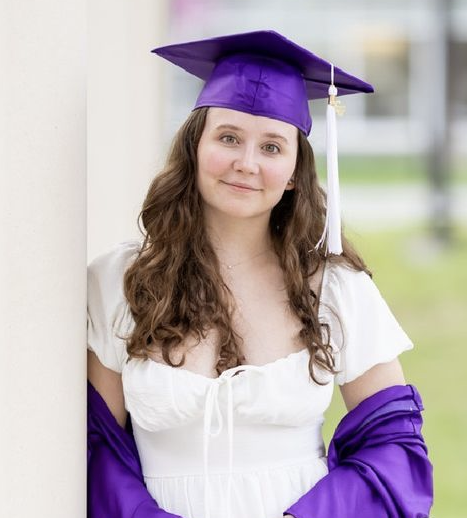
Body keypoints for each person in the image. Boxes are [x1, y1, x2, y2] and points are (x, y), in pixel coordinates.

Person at [87, 30, 433, 518]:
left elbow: (393, 445)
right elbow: (96, 445)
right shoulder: (121, 281)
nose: (246, 164)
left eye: (272, 147)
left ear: (294, 171)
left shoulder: (334, 288)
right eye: (228, 138)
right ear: (194, 147)